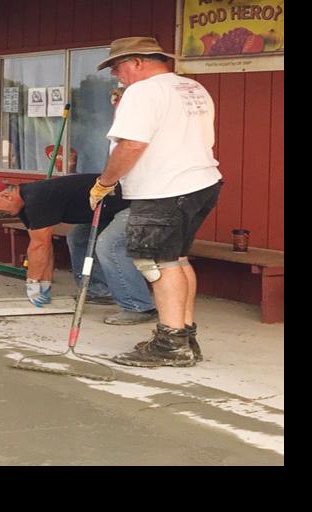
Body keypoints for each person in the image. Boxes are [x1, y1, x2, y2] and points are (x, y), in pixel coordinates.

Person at [91, 37, 223, 367]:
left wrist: (104, 183)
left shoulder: (143, 91)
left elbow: (132, 145)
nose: (116, 76)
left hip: (164, 188)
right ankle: (183, 336)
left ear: (137, 61)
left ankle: (170, 345)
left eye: (118, 67)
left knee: (157, 263)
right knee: (176, 259)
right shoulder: (191, 88)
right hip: (200, 182)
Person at [0, 175, 155, 323]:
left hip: (136, 204)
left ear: (6, 196)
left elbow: (39, 247)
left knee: (109, 245)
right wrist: (45, 283)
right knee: (78, 238)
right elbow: (44, 244)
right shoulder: (24, 204)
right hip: (107, 209)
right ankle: (98, 291)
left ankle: (137, 307)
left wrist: (33, 283)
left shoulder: (37, 199)